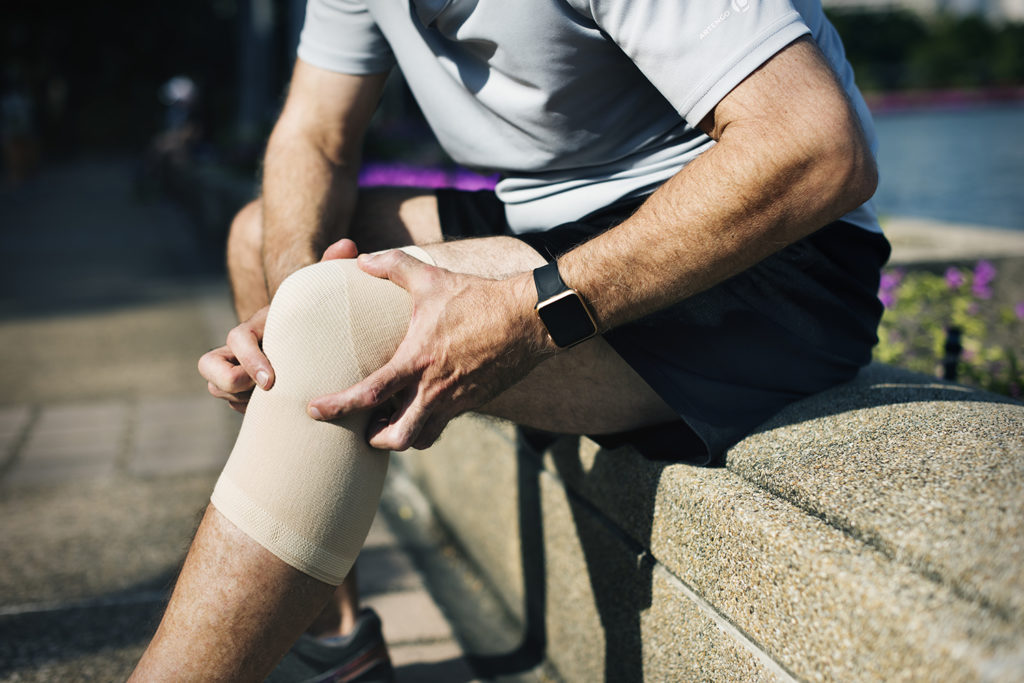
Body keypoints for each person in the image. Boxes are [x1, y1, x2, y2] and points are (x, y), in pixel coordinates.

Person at [131, 1, 888, 680]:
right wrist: (292, 297)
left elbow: (816, 144)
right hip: (552, 224)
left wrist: (531, 314)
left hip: (764, 257)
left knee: (340, 320)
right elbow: (315, 135)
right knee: (263, 238)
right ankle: (333, 647)